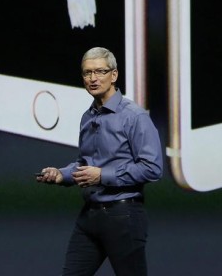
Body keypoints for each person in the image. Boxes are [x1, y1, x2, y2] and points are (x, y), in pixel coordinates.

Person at [37, 47, 163, 276]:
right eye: (87, 73)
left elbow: (152, 168)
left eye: (99, 72)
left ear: (113, 75)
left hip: (123, 215)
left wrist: (102, 175)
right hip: (90, 216)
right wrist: (61, 174)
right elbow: (85, 164)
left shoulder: (134, 116)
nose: (93, 79)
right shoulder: (88, 117)